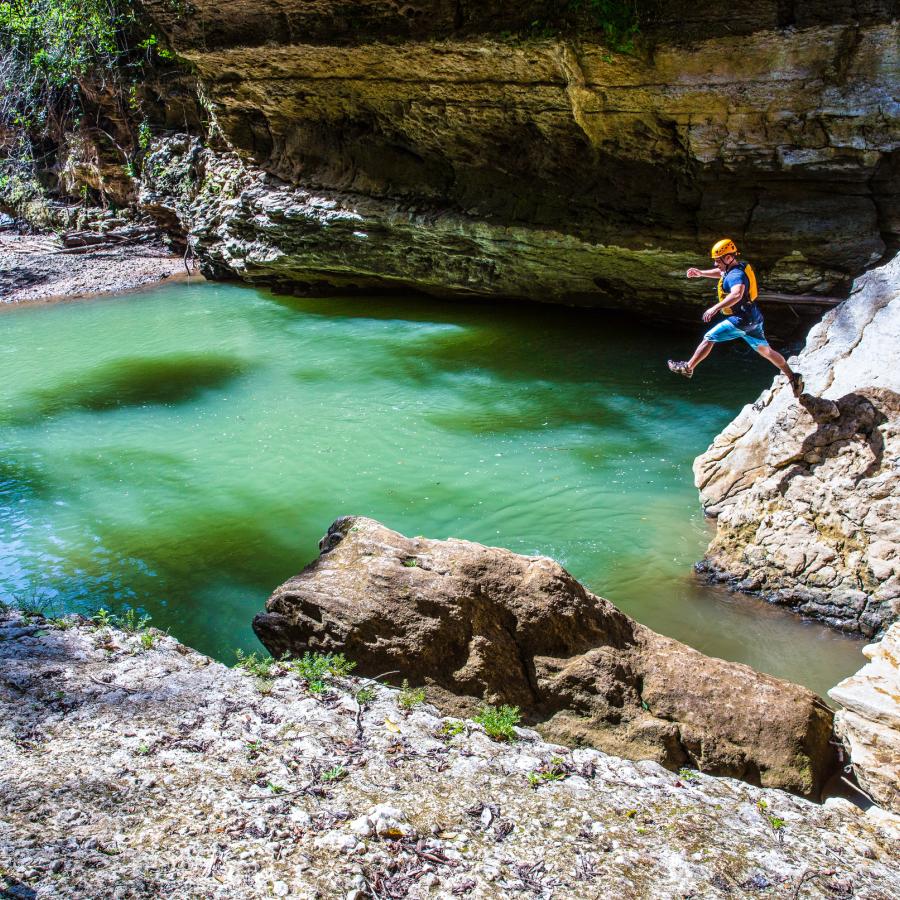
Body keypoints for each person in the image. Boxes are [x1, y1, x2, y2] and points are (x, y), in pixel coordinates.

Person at [667, 239, 804, 396]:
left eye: (718, 260)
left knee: (709, 337)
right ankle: (793, 377)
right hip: (754, 317)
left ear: (728, 258)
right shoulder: (738, 267)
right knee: (766, 351)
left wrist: (715, 308)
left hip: (742, 319)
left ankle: (688, 368)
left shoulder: (736, 275)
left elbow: (737, 293)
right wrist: (701, 273)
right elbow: (721, 273)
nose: (715, 264)